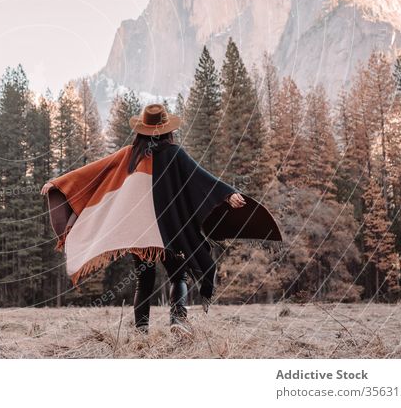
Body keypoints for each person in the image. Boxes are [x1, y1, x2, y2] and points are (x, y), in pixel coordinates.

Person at [41, 103, 281, 334]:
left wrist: (59, 184)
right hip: (168, 230)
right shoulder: (174, 153)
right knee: (178, 276)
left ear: (142, 131)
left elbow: (93, 173)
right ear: (168, 131)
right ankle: (178, 321)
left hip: (139, 234)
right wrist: (227, 193)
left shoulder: (129, 155)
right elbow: (201, 177)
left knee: (144, 280)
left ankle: (141, 332)